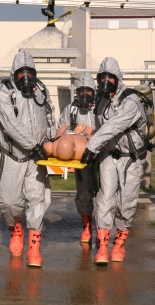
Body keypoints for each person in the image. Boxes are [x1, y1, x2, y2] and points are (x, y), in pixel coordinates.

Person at [0, 50, 57, 267]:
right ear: (14, 73)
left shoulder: (41, 90)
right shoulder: (2, 93)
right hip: (12, 156)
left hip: (36, 159)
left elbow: (49, 115)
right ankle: (16, 228)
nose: (25, 77)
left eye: (30, 72)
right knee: (9, 202)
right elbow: (11, 125)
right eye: (21, 73)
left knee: (37, 200)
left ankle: (34, 247)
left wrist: (53, 139)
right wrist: (33, 145)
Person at [81, 57, 147, 265]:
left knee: (126, 203)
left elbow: (115, 126)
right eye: (102, 77)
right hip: (108, 156)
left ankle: (118, 245)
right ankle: (102, 247)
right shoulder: (101, 102)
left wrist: (92, 146)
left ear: (118, 79)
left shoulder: (131, 101)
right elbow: (98, 127)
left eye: (110, 77)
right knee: (104, 201)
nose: (105, 82)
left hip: (130, 159)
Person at [57, 73, 97, 244]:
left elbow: (110, 129)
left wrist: (90, 132)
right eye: (81, 91)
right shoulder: (70, 110)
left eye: (88, 90)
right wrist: (72, 134)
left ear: (94, 91)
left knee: (105, 194)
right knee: (84, 193)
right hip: (81, 160)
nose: (85, 94)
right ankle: (87, 227)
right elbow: (59, 131)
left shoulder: (101, 108)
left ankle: (103, 228)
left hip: (102, 158)